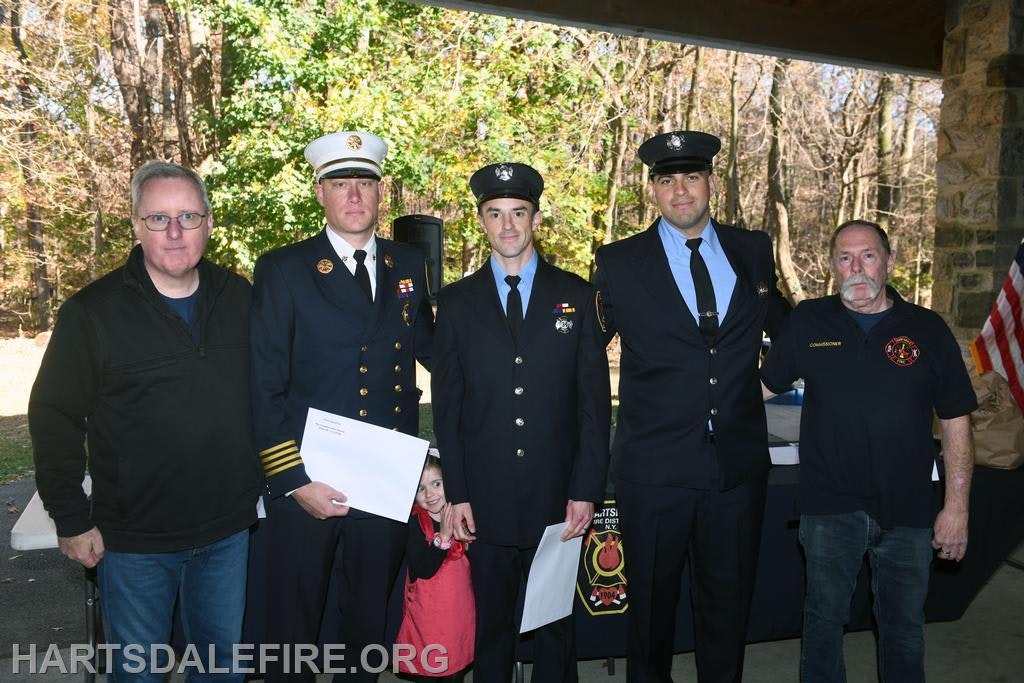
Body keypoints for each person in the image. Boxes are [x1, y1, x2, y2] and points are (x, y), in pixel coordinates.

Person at [28, 161, 262, 680]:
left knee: (222, 668)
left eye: (188, 216)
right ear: (135, 225)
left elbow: (275, 393)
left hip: (227, 532)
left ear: (208, 222)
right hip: (134, 542)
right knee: (137, 673)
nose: (175, 232)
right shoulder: (92, 314)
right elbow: (55, 416)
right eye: (158, 218)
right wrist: (71, 516)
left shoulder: (240, 298)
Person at [593, 130, 790, 682]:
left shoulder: (753, 250)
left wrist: (763, 389)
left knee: (727, 609)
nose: (681, 191)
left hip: (736, 468)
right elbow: (584, 360)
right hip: (653, 471)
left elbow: (791, 333)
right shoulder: (618, 262)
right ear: (653, 190)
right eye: (667, 180)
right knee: (651, 614)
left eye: (693, 177)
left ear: (710, 183)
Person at [250, 130, 434, 681]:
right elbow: (263, 384)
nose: (354, 195)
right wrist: (292, 479)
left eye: (365, 183)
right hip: (308, 477)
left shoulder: (407, 263)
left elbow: (434, 350)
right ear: (319, 193)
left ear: (381, 194)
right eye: (340, 184)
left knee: (367, 623)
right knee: (295, 630)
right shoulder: (284, 268)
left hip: (383, 478)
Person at [760, 220, 977, 682]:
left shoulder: (927, 329)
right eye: (845, 257)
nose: (856, 267)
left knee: (903, 628)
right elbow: (758, 388)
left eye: (868, 255)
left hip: (910, 509)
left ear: (890, 261)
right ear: (833, 266)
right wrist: (693, 407)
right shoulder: (808, 321)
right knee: (822, 622)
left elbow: (958, 420)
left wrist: (956, 507)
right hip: (829, 506)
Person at [431, 162, 611, 682]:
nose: (507, 225)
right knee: (492, 625)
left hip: (557, 498)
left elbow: (593, 407)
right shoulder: (456, 304)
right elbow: (448, 407)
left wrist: (586, 489)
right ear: (482, 221)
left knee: (555, 628)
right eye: (495, 214)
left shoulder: (575, 297)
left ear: (534, 217)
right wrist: (458, 492)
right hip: (483, 498)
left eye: (518, 212)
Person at [395, 453, 474, 682]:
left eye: (436, 484)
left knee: (455, 668)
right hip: (427, 620)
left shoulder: (463, 514)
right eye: (421, 488)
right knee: (428, 670)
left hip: (459, 615)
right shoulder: (415, 521)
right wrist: (444, 538)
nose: (429, 495)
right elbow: (422, 568)